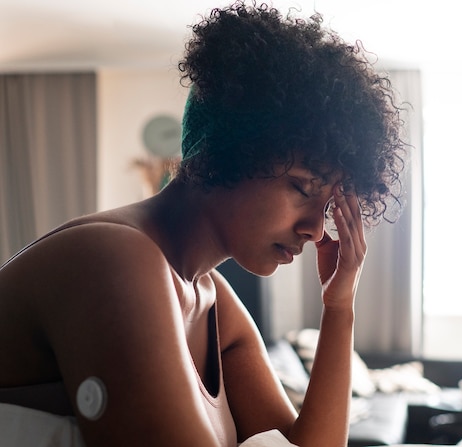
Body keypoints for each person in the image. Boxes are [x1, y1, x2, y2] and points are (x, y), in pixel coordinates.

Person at [0, 2, 407, 446]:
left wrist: (339, 307)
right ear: (229, 150)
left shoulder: (214, 302)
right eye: (303, 188)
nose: (314, 230)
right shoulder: (112, 260)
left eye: (327, 207)